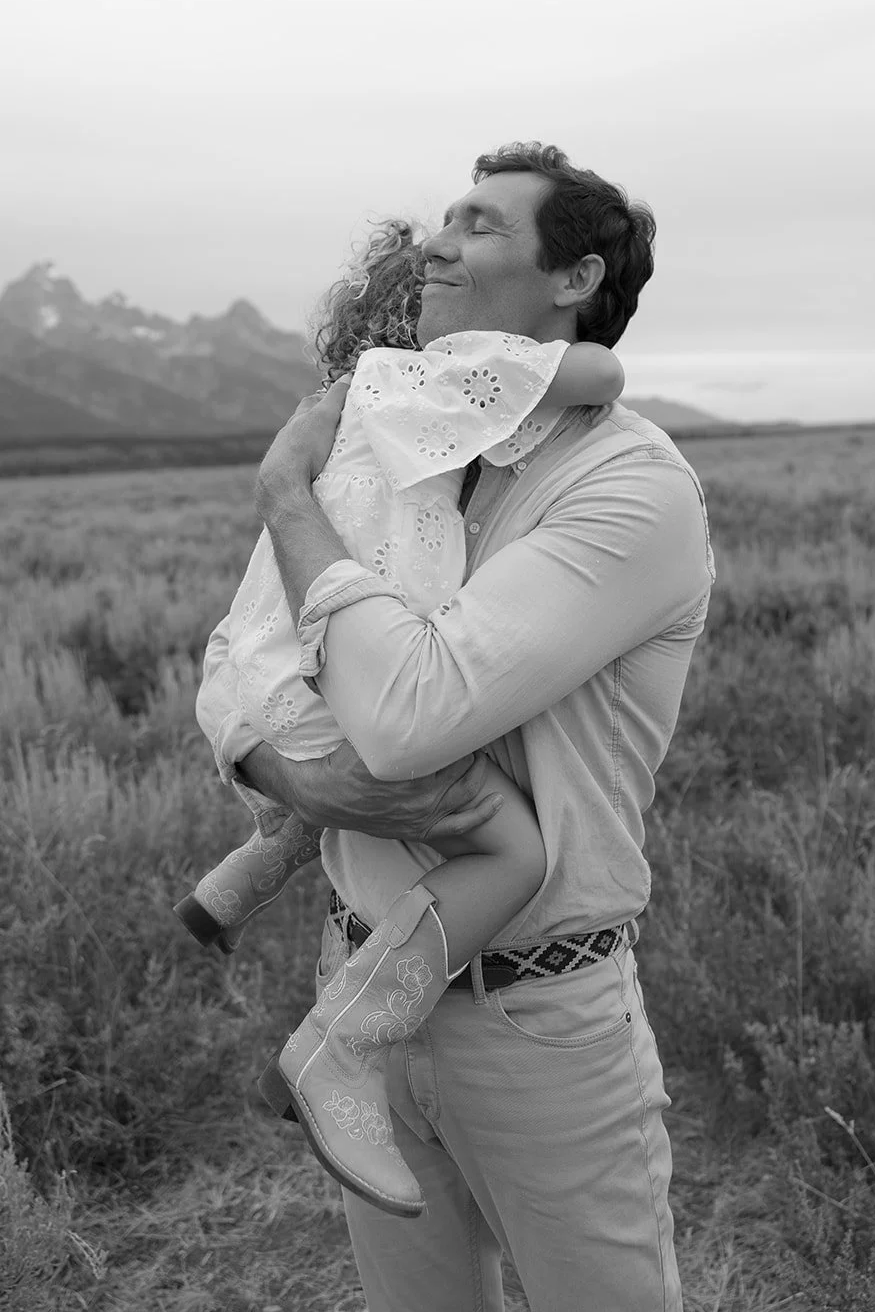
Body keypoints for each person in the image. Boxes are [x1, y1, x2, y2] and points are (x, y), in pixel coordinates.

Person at [195, 142, 715, 1312]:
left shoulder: (628, 490)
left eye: (478, 224)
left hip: (536, 1019)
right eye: (442, 216)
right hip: (362, 970)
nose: (437, 240)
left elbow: (407, 715)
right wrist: (286, 771)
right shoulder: (410, 446)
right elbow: (237, 658)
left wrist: (282, 496)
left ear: (572, 276)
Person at [180, 218, 624, 1214]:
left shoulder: (330, 412)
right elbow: (598, 375)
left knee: (320, 770)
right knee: (511, 849)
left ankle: (237, 878)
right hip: (341, 688)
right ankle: (343, 1047)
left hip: (262, 679)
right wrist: (542, 343)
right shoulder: (414, 388)